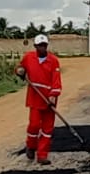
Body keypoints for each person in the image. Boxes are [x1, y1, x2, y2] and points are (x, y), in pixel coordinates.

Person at [15, 34, 63, 165]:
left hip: (49, 99)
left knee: (47, 129)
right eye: (40, 46)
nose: (42, 48)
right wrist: (20, 71)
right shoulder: (28, 57)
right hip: (35, 98)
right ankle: (31, 146)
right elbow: (20, 67)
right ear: (35, 46)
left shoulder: (53, 61)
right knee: (34, 125)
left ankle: (42, 155)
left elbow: (56, 80)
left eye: (44, 45)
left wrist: (53, 95)